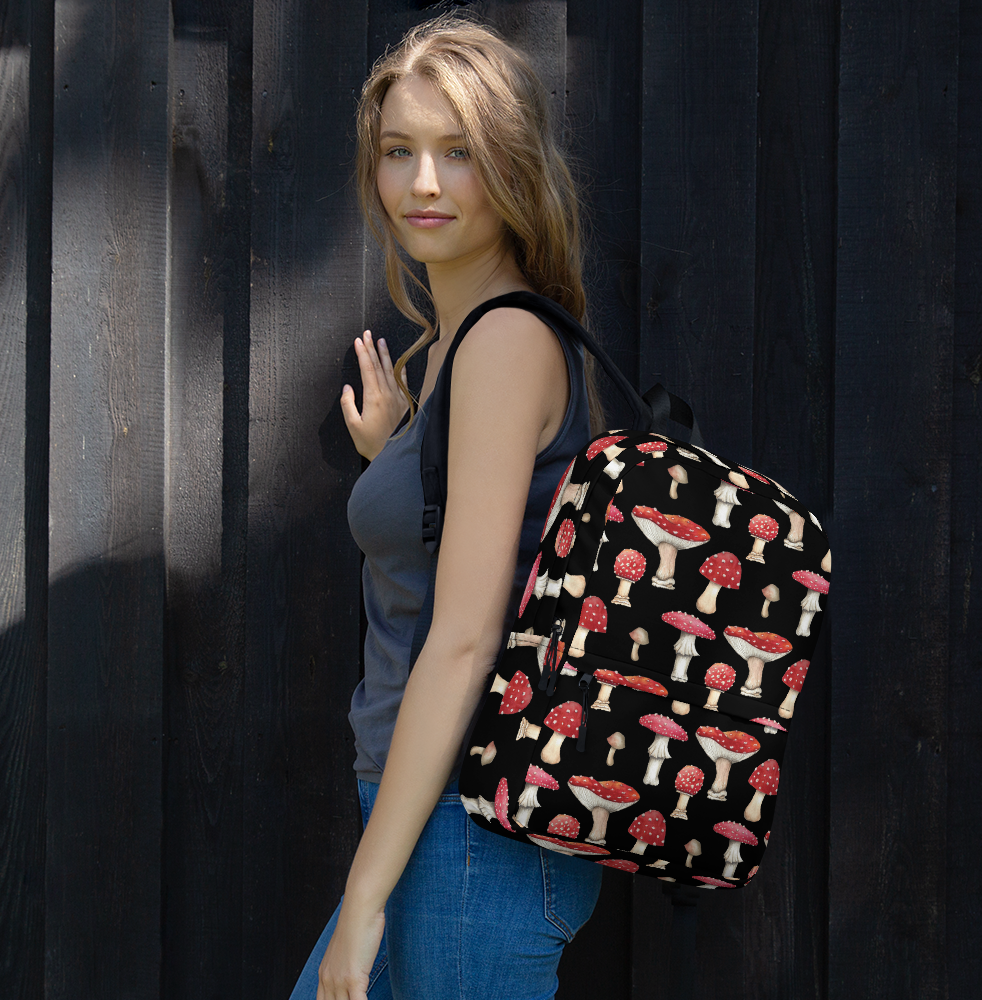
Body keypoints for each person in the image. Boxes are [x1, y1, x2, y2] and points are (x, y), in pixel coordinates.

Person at [288, 14, 605, 1000]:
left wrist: (367, 895)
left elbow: (466, 638)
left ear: (509, 167)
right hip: (435, 822)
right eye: (398, 152)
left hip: (469, 831)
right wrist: (399, 459)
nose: (422, 183)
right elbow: (473, 556)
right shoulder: (459, 347)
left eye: (457, 153)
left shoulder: (503, 345)